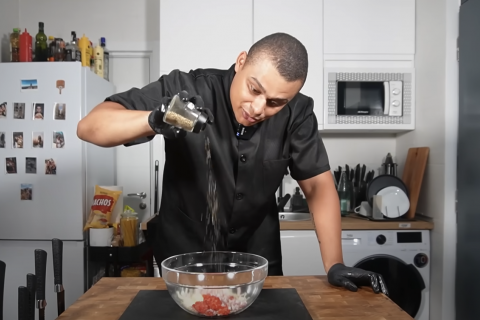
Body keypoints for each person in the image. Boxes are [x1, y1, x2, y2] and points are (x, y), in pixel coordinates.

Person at [77, 33, 388, 295]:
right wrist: (155, 119)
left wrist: (334, 264)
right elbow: (90, 126)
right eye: (254, 89)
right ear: (241, 62)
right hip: (184, 256)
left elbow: (318, 187)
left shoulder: (299, 114)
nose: (257, 108)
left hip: (257, 257)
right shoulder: (188, 88)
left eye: (275, 103)